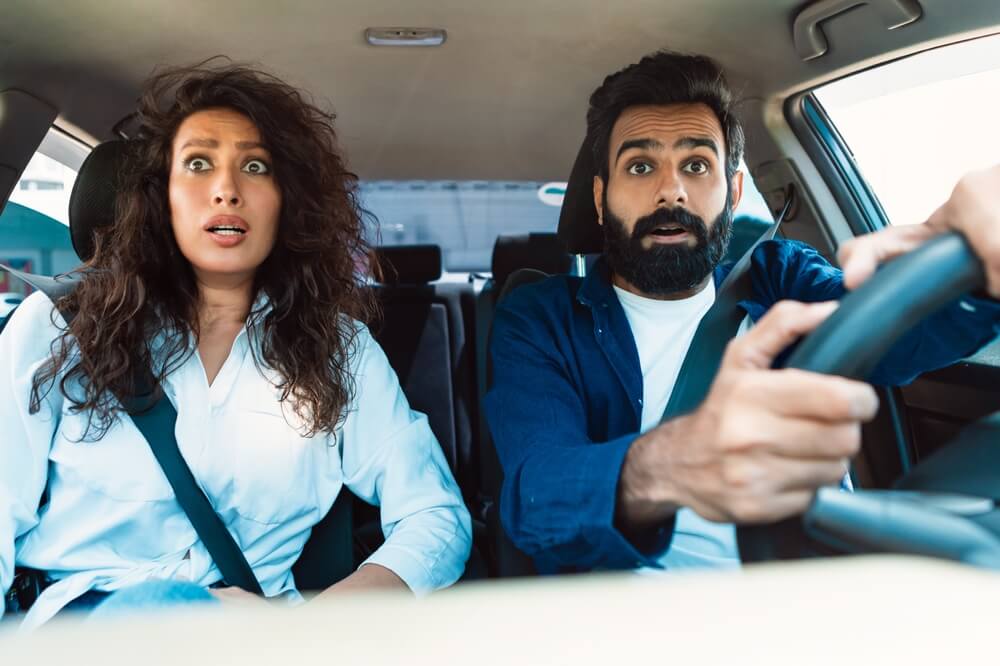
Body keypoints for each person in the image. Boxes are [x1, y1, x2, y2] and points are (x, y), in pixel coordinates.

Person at [484, 51, 1000, 574]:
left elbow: (904, 333)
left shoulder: (781, 278)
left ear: (732, 192)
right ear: (600, 198)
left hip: (811, 585)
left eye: (697, 164)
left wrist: (980, 265)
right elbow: (536, 492)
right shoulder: (540, 318)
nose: (672, 190)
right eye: (640, 166)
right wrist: (676, 461)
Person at [0, 63, 471, 630]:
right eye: (198, 164)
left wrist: (312, 628)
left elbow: (436, 515)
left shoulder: (340, 352)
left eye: (255, 166)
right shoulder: (55, 328)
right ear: (161, 197)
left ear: (286, 201)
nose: (226, 188)